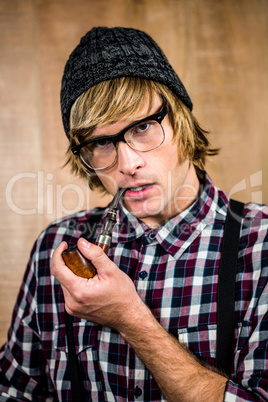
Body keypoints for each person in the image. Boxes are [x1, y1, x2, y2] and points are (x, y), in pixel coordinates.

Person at [0, 26, 267, 402]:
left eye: (142, 127)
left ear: (180, 121)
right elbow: (14, 390)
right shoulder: (58, 250)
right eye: (100, 142)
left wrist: (129, 317)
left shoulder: (261, 245)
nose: (127, 164)